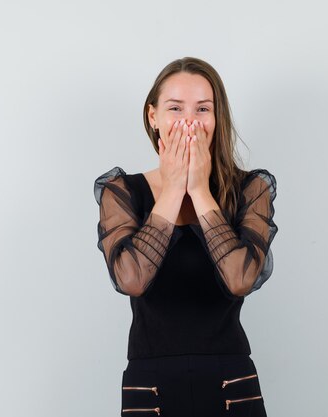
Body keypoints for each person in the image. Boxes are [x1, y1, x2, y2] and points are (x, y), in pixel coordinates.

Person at [93, 57, 278, 417]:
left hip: (230, 379)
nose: (189, 121)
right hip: (151, 383)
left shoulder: (250, 188)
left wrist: (200, 190)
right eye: (175, 108)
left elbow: (241, 278)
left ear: (216, 117)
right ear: (153, 117)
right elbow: (131, 278)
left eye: (202, 109)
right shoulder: (122, 191)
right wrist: (173, 189)